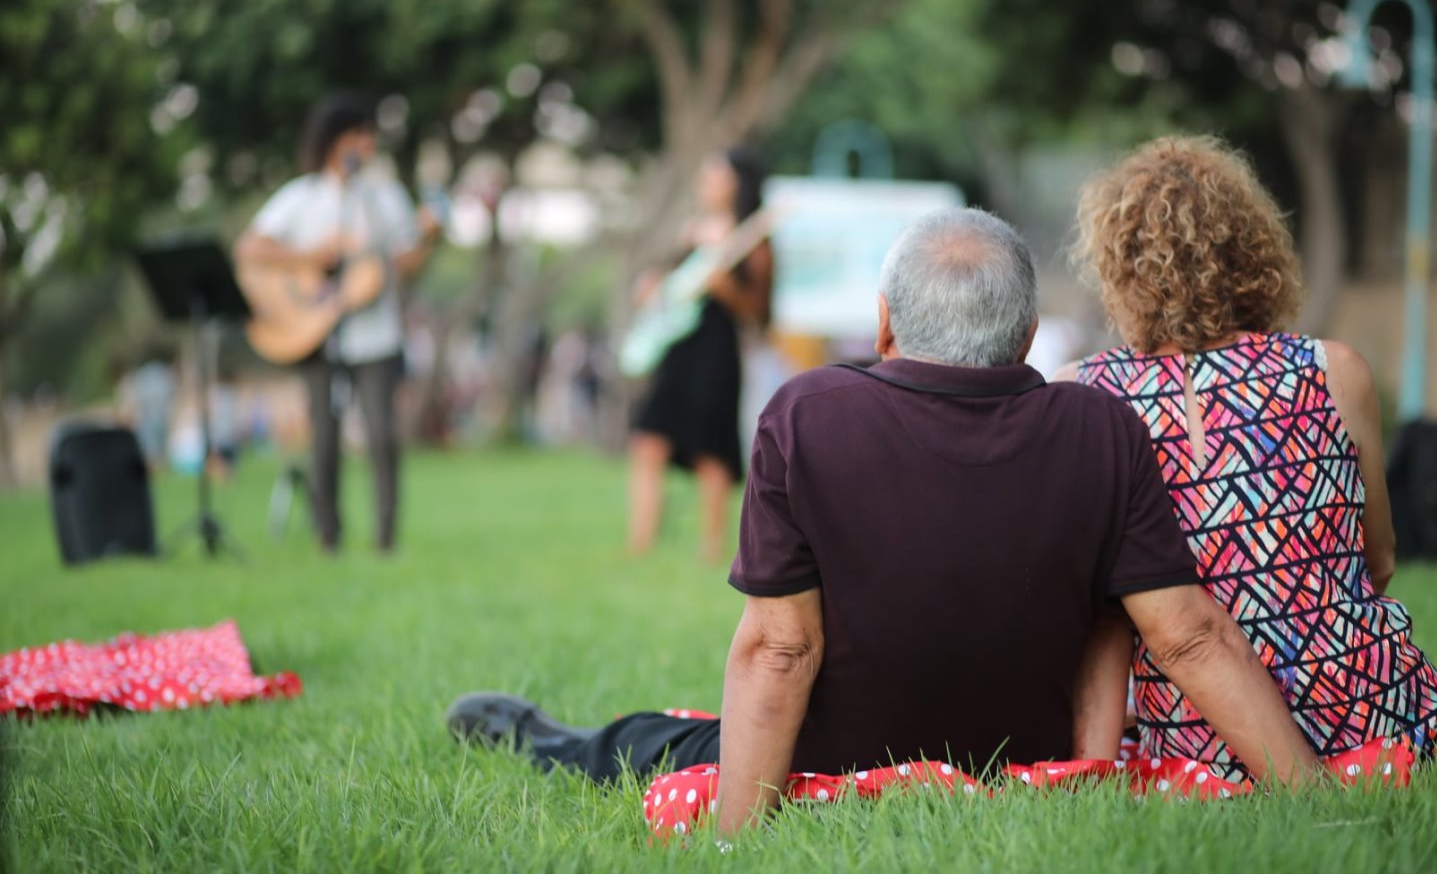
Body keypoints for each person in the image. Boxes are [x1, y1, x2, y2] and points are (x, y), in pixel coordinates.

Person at [448, 208, 1321, 838]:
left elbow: (779, 649)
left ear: (884, 323)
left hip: (836, 753)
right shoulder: (1101, 426)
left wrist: (733, 840)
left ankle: (536, 735)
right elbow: (1189, 638)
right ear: (1024, 336)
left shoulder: (808, 412)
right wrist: (1313, 794)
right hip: (1028, 751)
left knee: (650, 740)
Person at [1058, 135, 1437, 781]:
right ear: (1251, 250)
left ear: (1118, 267)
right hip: (1380, 718)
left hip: (1196, 741)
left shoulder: (1083, 395)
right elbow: (1381, 560)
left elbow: (1097, 604)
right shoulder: (1333, 370)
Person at [234, 93, 442, 553]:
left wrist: (427, 238)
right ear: (332, 140)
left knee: (383, 436)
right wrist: (312, 256)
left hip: (377, 335)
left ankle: (386, 538)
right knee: (323, 441)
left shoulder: (383, 197)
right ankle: (329, 536)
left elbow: (403, 265)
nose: (365, 144)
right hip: (317, 334)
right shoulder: (301, 197)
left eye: (369, 136)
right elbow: (250, 248)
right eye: (357, 134)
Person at [626, 148, 774, 561]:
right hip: (678, 348)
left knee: (711, 452)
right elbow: (674, 288)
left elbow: (759, 311)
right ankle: (640, 542)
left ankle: (712, 549)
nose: (705, 183)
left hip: (718, 353)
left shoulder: (753, 237)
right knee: (649, 441)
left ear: (736, 183)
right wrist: (654, 286)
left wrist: (723, 286)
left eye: (714, 175)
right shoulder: (693, 231)